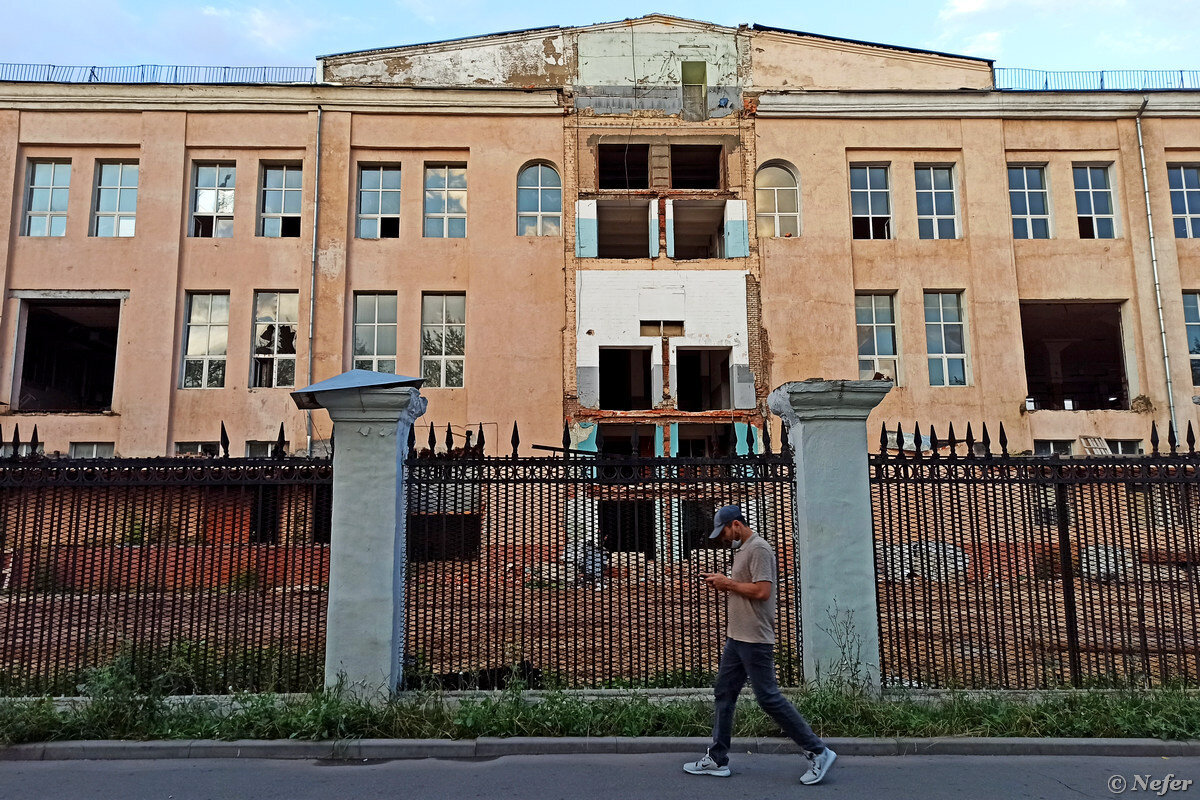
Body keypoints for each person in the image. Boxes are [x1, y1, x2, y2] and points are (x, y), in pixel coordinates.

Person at [684, 504, 836, 785]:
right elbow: (744, 585)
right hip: (737, 637)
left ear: (737, 525)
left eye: (725, 532)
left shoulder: (759, 549)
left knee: (768, 697)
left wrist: (726, 583)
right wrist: (725, 582)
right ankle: (717, 759)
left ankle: (818, 751)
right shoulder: (742, 550)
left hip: (754, 638)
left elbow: (763, 591)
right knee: (724, 694)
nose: (724, 538)